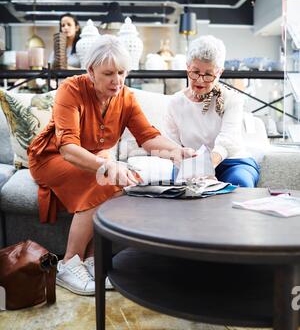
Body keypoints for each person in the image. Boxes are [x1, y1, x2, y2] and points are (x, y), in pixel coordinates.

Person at [28, 34, 195, 296]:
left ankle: (94, 259)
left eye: (121, 72)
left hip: (92, 157)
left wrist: (176, 150)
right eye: (108, 74)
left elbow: (148, 136)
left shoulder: (125, 97)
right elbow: (68, 148)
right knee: (102, 181)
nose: (116, 81)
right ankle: (69, 263)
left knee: (117, 186)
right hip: (51, 157)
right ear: (91, 71)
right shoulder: (70, 89)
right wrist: (105, 166)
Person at [164, 35, 260, 188]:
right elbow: (172, 146)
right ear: (187, 67)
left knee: (240, 183)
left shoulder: (232, 99)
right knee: (178, 190)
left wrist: (206, 169)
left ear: (219, 72)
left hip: (232, 162)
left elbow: (227, 142)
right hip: (192, 166)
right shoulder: (175, 103)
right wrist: (189, 164)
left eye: (208, 74)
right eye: (195, 72)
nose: (200, 80)